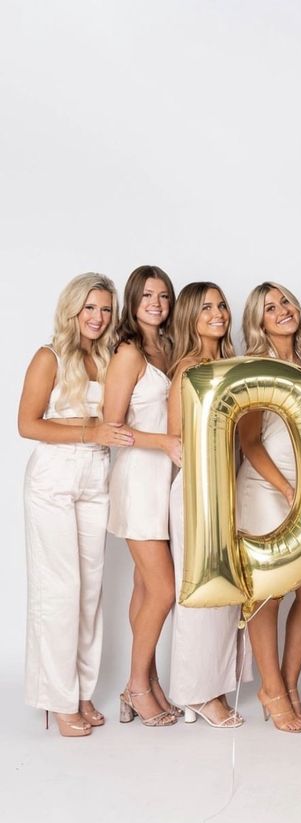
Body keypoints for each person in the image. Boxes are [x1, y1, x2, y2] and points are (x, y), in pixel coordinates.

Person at [19, 273, 133, 736]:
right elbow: (27, 424)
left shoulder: (107, 357)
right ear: (72, 309)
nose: (98, 317)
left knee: (90, 590)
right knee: (59, 589)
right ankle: (57, 699)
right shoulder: (50, 356)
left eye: (106, 309)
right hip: (53, 474)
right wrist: (89, 432)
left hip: (96, 473)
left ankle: (81, 691)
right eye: (90, 308)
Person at [236, 282, 301, 733]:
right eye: (271, 308)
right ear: (259, 321)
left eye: (286, 301)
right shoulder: (255, 367)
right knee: (267, 594)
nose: (282, 310)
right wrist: (288, 490)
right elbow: (249, 441)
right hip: (267, 489)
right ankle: (270, 687)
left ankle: (285, 684)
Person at [167, 282, 250, 728]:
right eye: (206, 308)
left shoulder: (227, 364)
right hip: (198, 493)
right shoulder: (189, 369)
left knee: (223, 595)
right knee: (201, 593)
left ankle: (207, 687)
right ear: (189, 317)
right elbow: (177, 439)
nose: (217, 313)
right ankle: (198, 694)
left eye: (221, 305)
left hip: (225, 490)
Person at [105, 265, 181, 727]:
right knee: (164, 590)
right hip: (137, 478)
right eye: (148, 295)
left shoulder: (166, 348)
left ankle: (144, 683)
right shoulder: (130, 353)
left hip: (164, 480)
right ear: (133, 301)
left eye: (164, 296)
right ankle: (137, 685)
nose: (156, 303)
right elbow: (111, 429)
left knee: (143, 587)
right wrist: (164, 444)